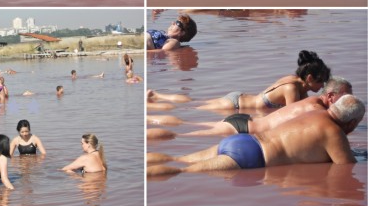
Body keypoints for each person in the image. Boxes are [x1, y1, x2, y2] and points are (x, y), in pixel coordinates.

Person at [147, 95, 365, 176]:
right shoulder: (333, 132)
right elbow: (346, 167)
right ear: (353, 122)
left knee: (179, 159)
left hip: (243, 140)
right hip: (251, 156)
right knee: (182, 171)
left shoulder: (315, 111)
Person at [150, 77, 352, 138]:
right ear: (331, 96)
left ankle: (149, 117)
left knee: (189, 118)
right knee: (185, 127)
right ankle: (151, 113)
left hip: (244, 119)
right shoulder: (315, 111)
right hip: (242, 122)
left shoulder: (306, 98)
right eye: (345, 97)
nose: (347, 101)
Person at [197, 50, 330, 111]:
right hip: (235, 106)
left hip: (239, 99)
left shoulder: (297, 84)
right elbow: (292, 116)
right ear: (309, 78)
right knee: (191, 110)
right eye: (321, 81)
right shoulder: (292, 88)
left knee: (192, 105)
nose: (322, 85)